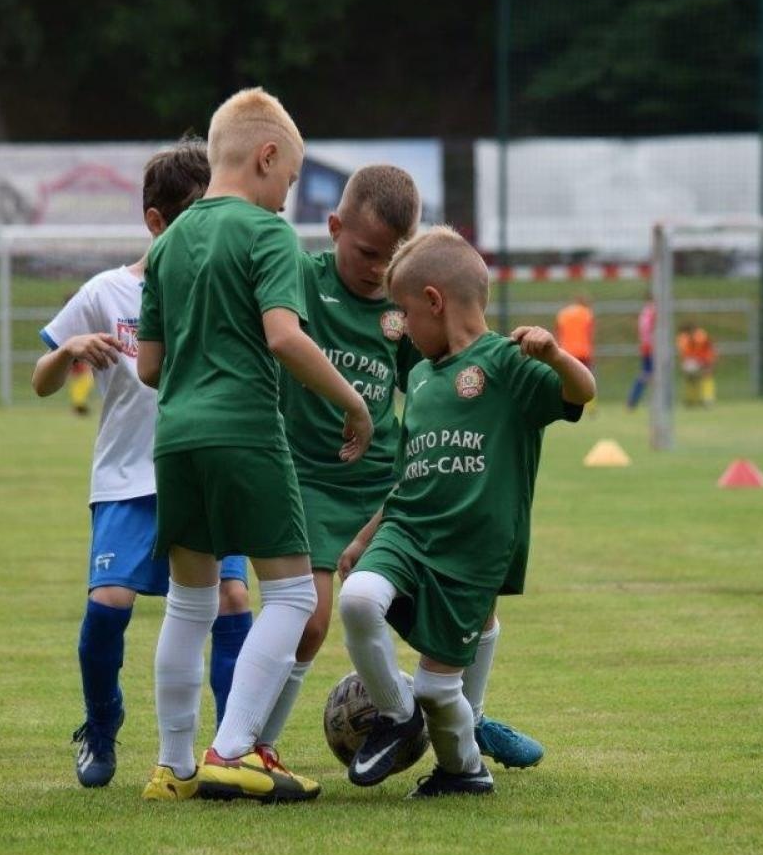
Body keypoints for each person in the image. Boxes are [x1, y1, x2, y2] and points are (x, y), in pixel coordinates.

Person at [254, 165, 546, 772]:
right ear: (333, 228)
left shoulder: (404, 308)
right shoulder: (300, 281)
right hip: (308, 478)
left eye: (393, 259)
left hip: (389, 481)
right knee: (310, 619)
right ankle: (260, 745)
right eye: (367, 253)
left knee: (476, 597)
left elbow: (442, 380)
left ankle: (469, 717)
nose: (379, 271)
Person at [135, 87, 373, 803]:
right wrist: (352, 401)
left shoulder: (168, 241)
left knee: (189, 602)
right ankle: (234, 749)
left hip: (175, 435)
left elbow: (148, 366)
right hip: (244, 430)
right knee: (295, 594)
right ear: (268, 156)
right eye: (291, 181)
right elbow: (283, 336)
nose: (287, 198)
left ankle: (172, 768)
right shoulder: (268, 235)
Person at [337, 227, 593, 797]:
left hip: (469, 551)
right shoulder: (422, 377)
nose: (400, 329)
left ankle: (462, 769)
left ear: (433, 301)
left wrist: (554, 354)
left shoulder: (505, 363)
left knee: (437, 688)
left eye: (403, 314)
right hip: (405, 529)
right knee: (356, 599)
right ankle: (396, 716)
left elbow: (582, 390)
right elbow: (411, 475)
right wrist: (362, 538)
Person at [31, 139, 252, 789]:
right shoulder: (106, 292)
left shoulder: (226, 284)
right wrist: (68, 346)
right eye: (191, 213)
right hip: (129, 480)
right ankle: (101, 726)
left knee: (233, 596)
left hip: (211, 473)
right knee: (109, 603)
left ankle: (227, 745)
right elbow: (44, 380)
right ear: (155, 222)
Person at [676, 321, 716, 408]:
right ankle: (695, 400)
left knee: (702, 377)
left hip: (701, 359)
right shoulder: (684, 338)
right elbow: (685, 353)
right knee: (693, 378)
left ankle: (704, 400)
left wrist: (707, 360)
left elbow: (707, 348)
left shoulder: (700, 335)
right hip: (693, 360)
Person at [626, 290, 655, 411]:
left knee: (647, 374)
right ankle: (633, 400)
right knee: (648, 374)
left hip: (646, 347)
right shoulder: (652, 311)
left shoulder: (645, 312)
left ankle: (633, 400)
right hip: (652, 347)